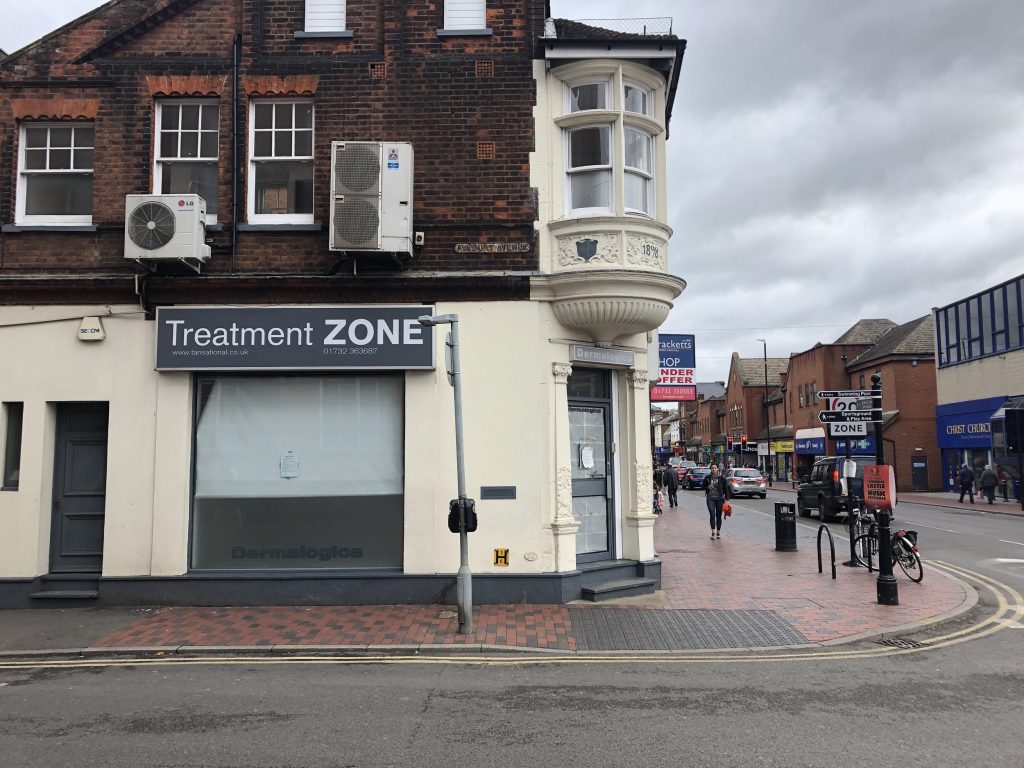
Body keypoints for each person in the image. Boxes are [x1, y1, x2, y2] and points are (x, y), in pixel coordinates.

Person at [704, 463, 728, 539]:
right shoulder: (707, 478)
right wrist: (708, 487)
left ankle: (718, 532)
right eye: (712, 468)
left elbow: (726, 489)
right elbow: (703, 486)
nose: (714, 469)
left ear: (717, 469)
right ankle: (713, 532)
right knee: (712, 514)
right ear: (710, 469)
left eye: (715, 468)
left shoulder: (722, 478)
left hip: (720, 499)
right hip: (710, 499)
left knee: (718, 515)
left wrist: (727, 500)